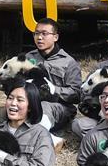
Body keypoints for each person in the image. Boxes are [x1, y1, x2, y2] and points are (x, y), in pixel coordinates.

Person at [24, 18, 82, 152]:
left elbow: (77, 94)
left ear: (55, 37)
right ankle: (53, 139)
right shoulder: (28, 57)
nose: (39, 37)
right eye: (36, 33)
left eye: (44, 34)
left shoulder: (68, 62)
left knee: (44, 107)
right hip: (32, 102)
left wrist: (54, 89)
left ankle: (39, 144)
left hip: (60, 107)